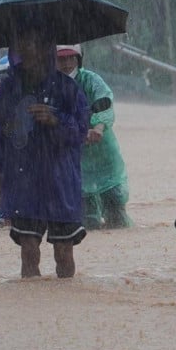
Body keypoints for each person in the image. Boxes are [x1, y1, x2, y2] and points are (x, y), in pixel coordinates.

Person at [0, 28, 91, 278]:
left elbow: (80, 131)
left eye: (31, 44)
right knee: (29, 251)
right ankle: (30, 307)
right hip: (24, 179)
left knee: (64, 252)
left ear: (45, 49)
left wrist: (56, 120)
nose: (25, 50)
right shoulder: (10, 89)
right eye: (20, 44)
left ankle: (64, 310)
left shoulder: (68, 88)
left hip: (60, 179)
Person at [55, 44, 132, 230]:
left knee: (115, 209)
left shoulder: (91, 80)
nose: (66, 64)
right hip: (74, 156)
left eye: (70, 58)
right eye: (61, 59)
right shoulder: (49, 86)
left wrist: (97, 127)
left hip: (103, 152)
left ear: (78, 59)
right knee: (86, 218)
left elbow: (105, 104)